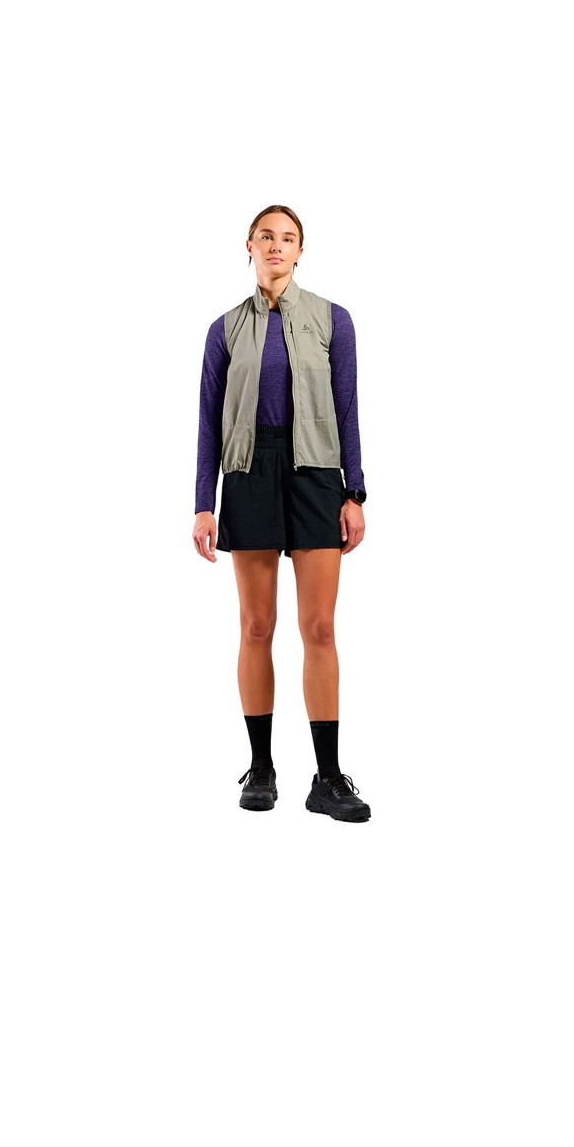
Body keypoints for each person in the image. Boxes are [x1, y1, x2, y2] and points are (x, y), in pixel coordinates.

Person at [192, 205, 371, 823]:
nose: (276, 245)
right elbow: (208, 419)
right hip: (249, 473)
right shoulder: (224, 330)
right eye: (266, 236)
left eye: (288, 238)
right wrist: (203, 502)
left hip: (317, 472)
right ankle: (262, 767)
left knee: (319, 628)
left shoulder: (333, 320)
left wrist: (355, 492)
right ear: (249, 245)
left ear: (300, 251)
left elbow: (347, 406)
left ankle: (328, 779)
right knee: (256, 627)